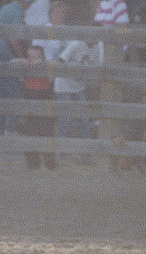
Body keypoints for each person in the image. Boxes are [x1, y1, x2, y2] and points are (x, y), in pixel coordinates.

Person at [32, 1, 98, 161]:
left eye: (62, 13)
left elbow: (73, 54)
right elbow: (37, 53)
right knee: (61, 118)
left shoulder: (69, 32)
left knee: (78, 118)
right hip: (49, 74)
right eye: (57, 13)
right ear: (50, 14)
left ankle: (82, 153)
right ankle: (58, 152)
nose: (59, 16)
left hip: (70, 77)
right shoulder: (43, 30)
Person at [12, 45, 58, 169]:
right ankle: (32, 164)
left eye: (37, 56)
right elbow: (12, 62)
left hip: (45, 103)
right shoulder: (25, 67)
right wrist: (23, 61)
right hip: (29, 103)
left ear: (42, 57)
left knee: (47, 133)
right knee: (30, 133)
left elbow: (56, 63)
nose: (33, 59)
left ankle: (50, 164)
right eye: (31, 56)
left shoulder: (47, 66)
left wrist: (42, 62)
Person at [0, 0, 34, 135]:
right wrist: (22, 57)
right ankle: (9, 128)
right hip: (3, 49)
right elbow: (13, 38)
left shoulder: (8, 8)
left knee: (1, 90)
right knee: (13, 90)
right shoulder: (18, 11)